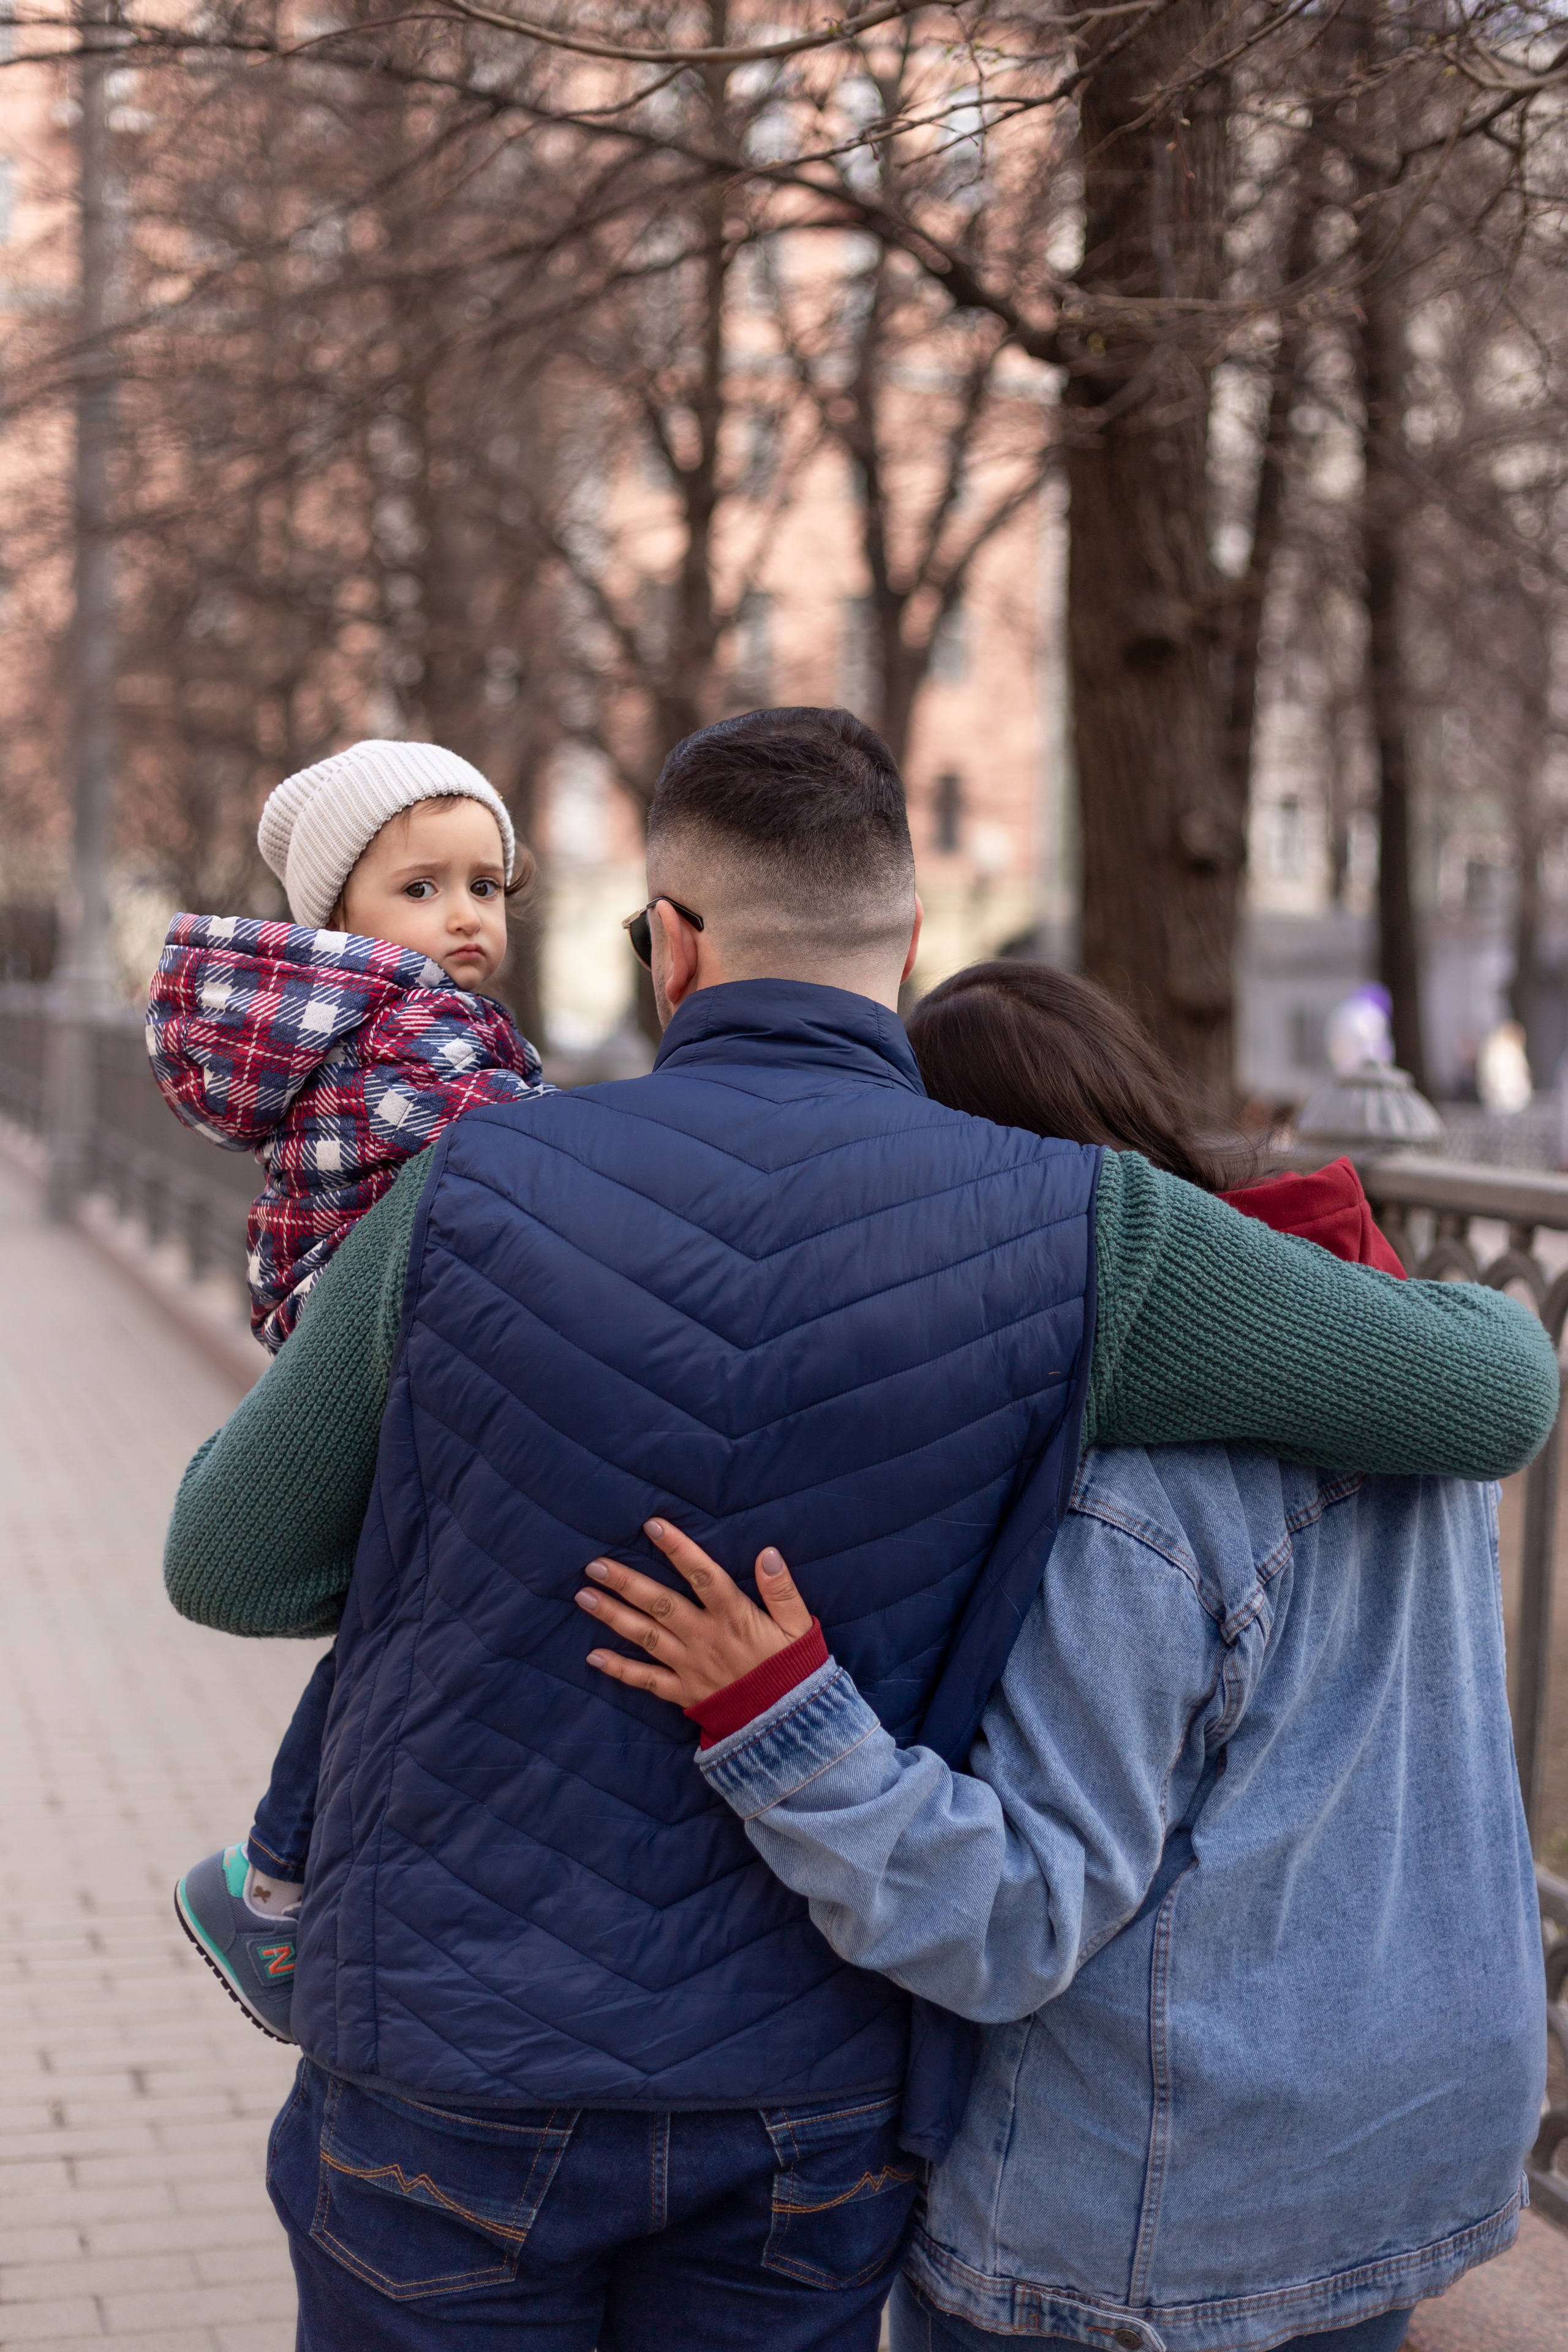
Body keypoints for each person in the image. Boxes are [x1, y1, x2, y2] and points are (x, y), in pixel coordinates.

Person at [161, 709, 1556, 2352]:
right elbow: (1494, 1396)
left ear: (671, 944)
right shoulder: (1085, 1232)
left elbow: (227, 1561)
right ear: (903, 943)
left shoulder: (470, 1183)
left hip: (449, 2053)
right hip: (802, 2089)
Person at [578, 959, 1546, 2352]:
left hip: (1149, 2216)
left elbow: (1015, 1919)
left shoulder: (1131, 1499)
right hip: (1397, 2153)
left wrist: (779, 1720)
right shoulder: (1388, 1377)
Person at [147, 739, 548, 2035]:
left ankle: (288, 1881)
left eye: (485, 885)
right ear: (339, 916)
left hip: (356, 1325)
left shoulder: (372, 1015)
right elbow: (515, 1157)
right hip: (390, 1339)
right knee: (403, 1620)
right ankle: (274, 1882)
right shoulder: (412, 1023)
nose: (464, 917)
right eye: (420, 889)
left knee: (399, 1614)